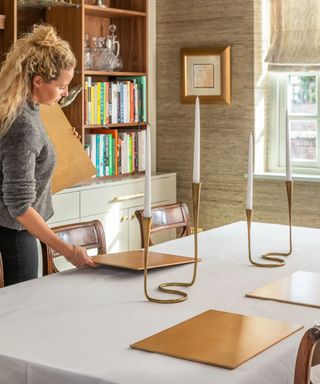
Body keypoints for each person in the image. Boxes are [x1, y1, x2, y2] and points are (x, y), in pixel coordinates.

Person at [0, 24, 96, 286]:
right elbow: (19, 206)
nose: (65, 93)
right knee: (22, 312)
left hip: (15, 230)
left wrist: (61, 145)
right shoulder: (23, 124)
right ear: (38, 81)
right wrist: (70, 252)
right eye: (62, 86)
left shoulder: (27, 108)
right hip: (15, 233)